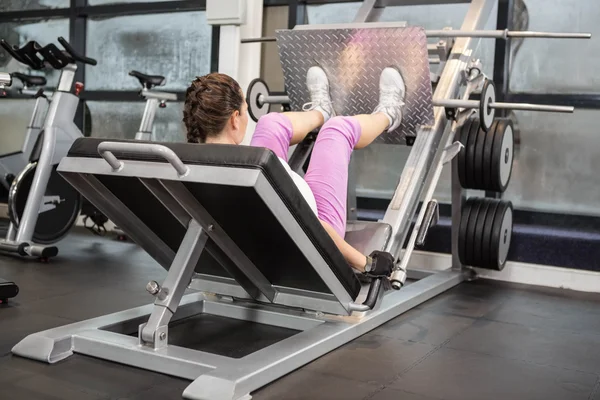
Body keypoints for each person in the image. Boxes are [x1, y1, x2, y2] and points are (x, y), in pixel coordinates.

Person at [183, 66, 406, 278]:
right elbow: (313, 227)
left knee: (270, 123)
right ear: (234, 119)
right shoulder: (255, 173)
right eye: (244, 110)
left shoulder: (189, 167)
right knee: (338, 130)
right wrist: (367, 263)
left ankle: (322, 111)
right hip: (310, 242)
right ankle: (389, 114)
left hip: (267, 240)